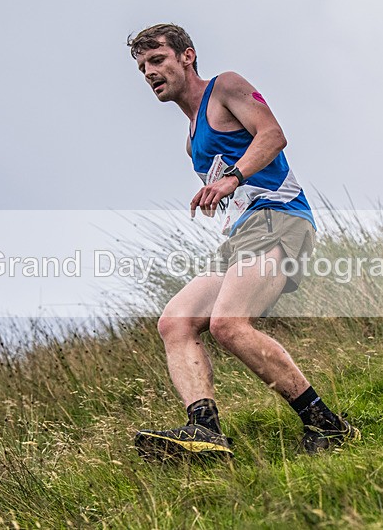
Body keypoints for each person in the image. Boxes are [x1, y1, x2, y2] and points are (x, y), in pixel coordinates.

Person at [127, 24, 360, 457]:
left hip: (279, 218)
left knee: (228, 324)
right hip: (242, 234)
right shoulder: (191, 139)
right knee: (175, 321)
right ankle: (204, 429)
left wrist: (231, 179)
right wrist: (225, 199)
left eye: (157, 60)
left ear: (187, 56)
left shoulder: (225, 87)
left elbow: (272, 135)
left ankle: (326, 425)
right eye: (142, 68)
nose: (150, 72)